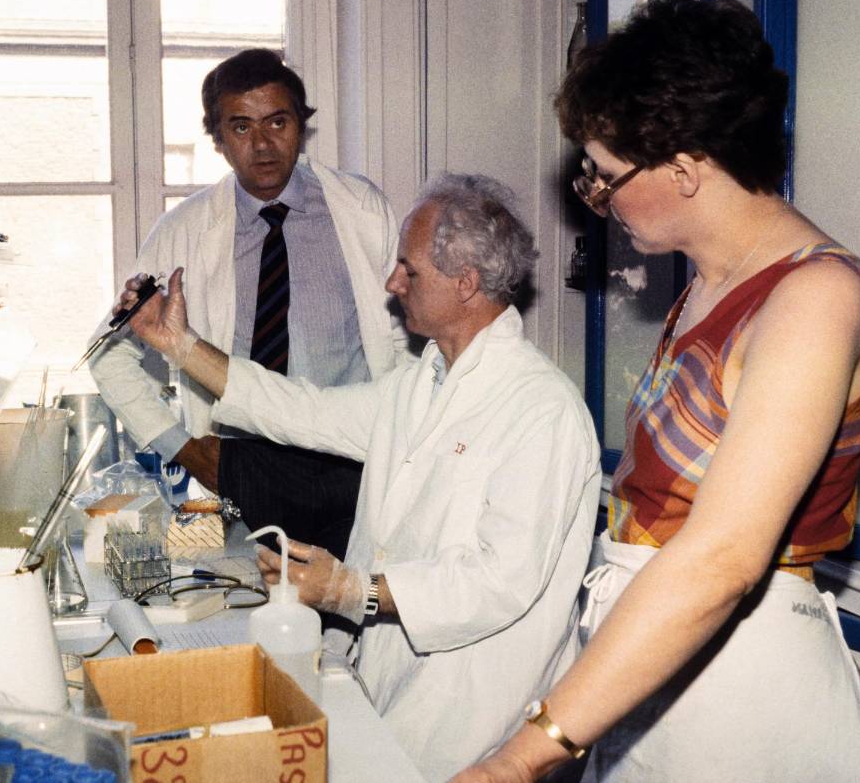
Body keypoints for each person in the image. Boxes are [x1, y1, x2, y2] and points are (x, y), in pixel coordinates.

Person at [452, 0, 860, 783]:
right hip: (660, 659)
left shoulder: (815, 298)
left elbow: (721, 559)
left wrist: (521, 758)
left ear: (685, 169)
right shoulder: (706, 287)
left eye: (607, 177)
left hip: (743, 688)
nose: (598, 200)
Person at [117, 173, 602, 781]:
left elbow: (499, 583)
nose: (392, 282)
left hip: (481, 725)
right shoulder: (422, 383)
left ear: (466, 283)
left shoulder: (541, 409)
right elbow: (303, 409)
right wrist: (182, 346)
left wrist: (352, 589)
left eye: (409, 268)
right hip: (396, 685)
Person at [87, 48, 408, 560]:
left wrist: (405, 444)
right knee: (258, 620)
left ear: (301, 126)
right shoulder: (183, 231)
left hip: (356, 460)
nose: (261, 144)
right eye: (240, 127)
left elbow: (404, 341)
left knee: (359, 616)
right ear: (217, 139)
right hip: (242, 466)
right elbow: (107, 354)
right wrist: (184, 449)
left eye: (277, 121)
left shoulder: (363, 209)